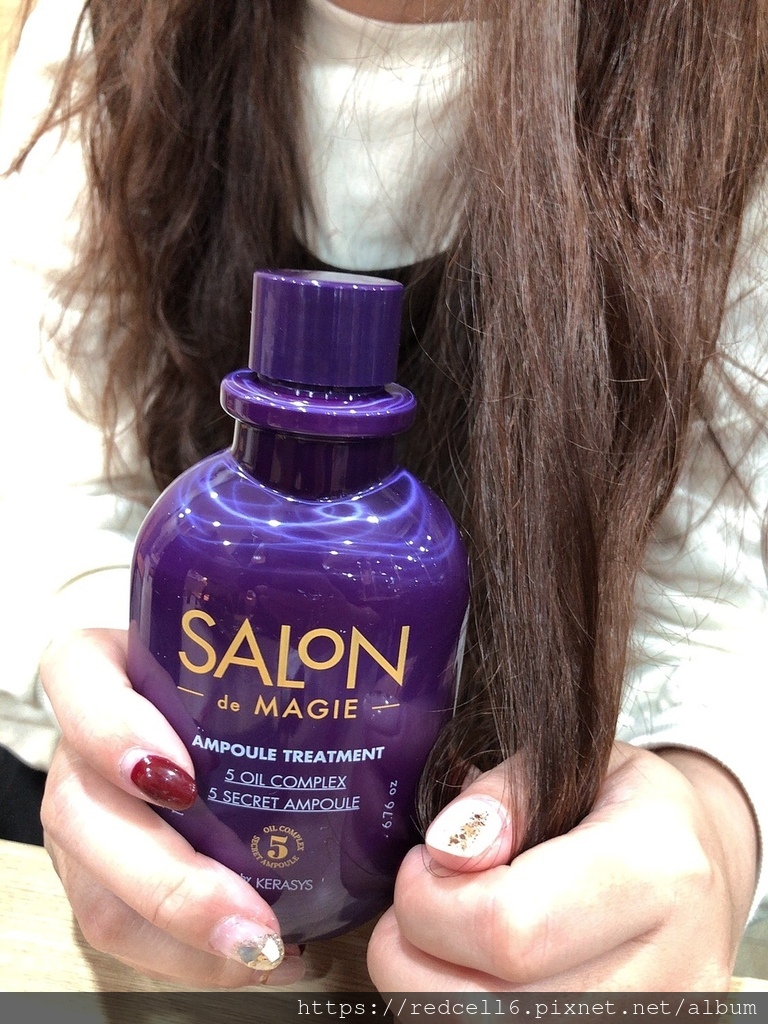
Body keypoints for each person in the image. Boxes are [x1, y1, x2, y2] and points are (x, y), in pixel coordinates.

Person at [1, 0, 768, 992]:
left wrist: (707, 826)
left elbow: (717, 599)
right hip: (97, 846)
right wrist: (108, 697)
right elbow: (59, 464)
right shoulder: (105, 19)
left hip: (517, 910)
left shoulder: (726, 58)